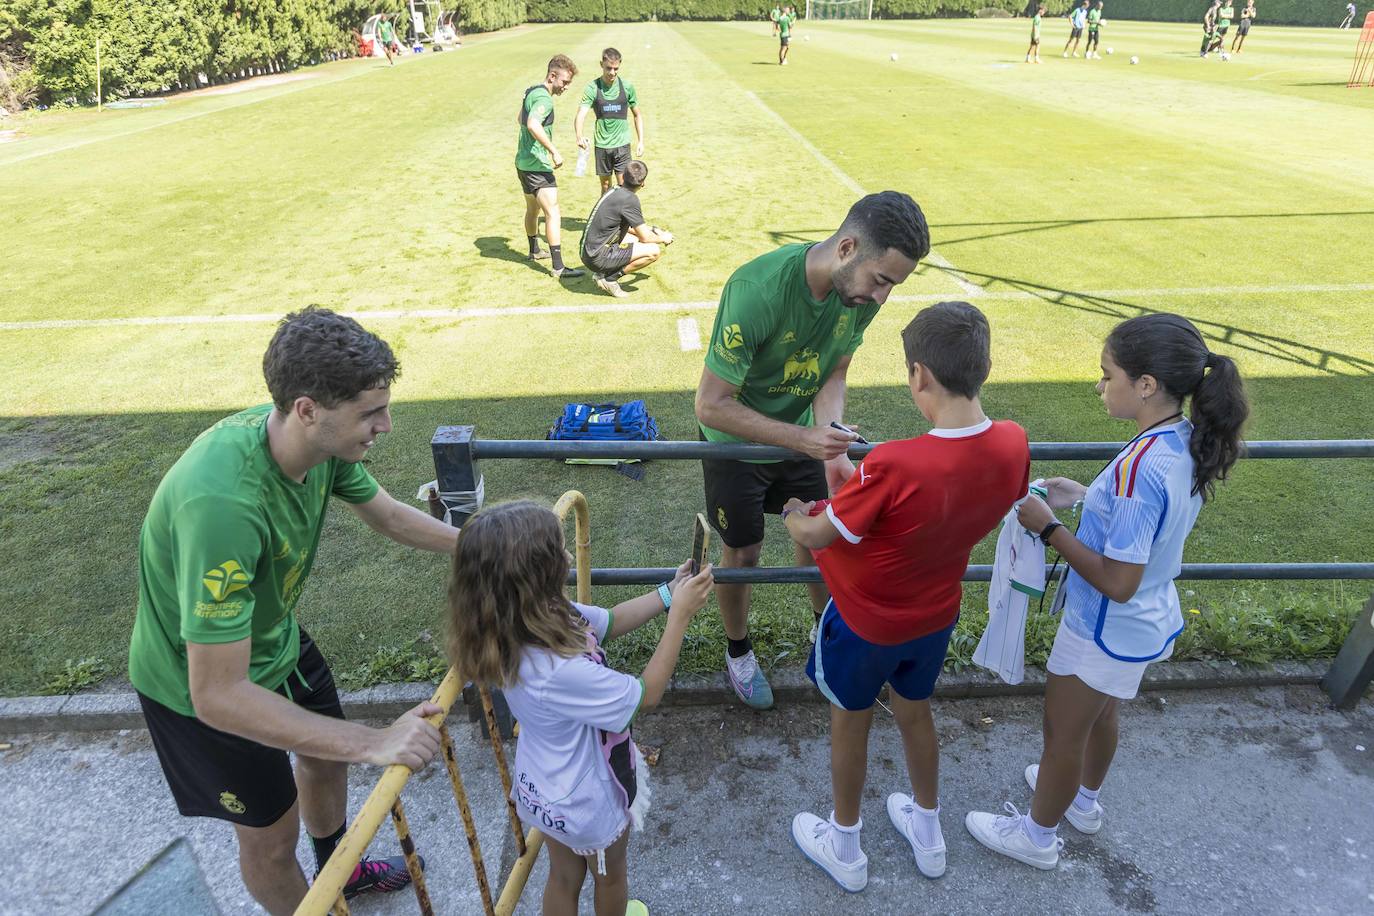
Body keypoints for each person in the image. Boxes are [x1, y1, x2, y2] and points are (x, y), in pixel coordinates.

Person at [127, 307, 462, 914]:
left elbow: (387, 515)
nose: (386, 426)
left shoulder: (320, 446)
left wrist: (483, 547)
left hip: (273, 636)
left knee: (323, 758)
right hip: (196, 687)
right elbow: (218, 694)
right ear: (308, 409)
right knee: (272, 841)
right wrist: (373, 740)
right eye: (370, 412)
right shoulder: (223, 504)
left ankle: (341, 867)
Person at [965, 313, 1249, 870]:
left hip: (1104, 624)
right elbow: (1136, 515)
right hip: (1144, 622)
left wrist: (1049, 527)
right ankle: (1084, 804)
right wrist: (1086, 493)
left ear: (1145, 385)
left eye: (1106, 374)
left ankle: (1037, 836)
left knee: (1062, 733)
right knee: (1101, 716)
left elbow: (1119, 580)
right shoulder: (1180, 437)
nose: (1099, 385)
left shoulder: (1139, 469)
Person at [782, 303, 1031, 891]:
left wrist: (796, 516)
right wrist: (855, 479)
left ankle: (844, 845)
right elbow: (931, 503)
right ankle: (928, 832)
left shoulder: (896, 460)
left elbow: (822, 532)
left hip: (867, 622)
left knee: (851, 723)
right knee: (916, 713)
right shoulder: (1014, 443)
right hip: (935, 617)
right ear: (984, 368)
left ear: (918, 375)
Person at [694, 191, 931, 710]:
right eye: (882, 280)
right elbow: (710, 406)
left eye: (894, 285)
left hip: (805, 437)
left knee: (820, 536)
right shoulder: (757, 289)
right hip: (734, 445)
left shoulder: (856, 298)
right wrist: (805, 440)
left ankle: (829, 638)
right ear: (847, 247)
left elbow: (835, 371)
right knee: (744, 552)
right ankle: (738, 650)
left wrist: (832, 441)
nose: (882, 297)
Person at [446, 501, 715, 916]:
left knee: (563, 877)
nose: (569, 557)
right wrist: (680, 616)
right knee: (610, 878)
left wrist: (667, 593)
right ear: (535, 576)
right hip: (589, 803)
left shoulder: (524, 622)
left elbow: (609, 620)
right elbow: (647, 694)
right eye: (559, 553)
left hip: (543, 788)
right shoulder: (557, 671)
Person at [517, 54, 585, 281]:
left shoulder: (531, 91)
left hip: (523, 163)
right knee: (553, 212)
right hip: (537, 165)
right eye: (564, 82)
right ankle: (558, 267)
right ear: (552, 76)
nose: (566, 87)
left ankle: (534, 250)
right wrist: (553, 150)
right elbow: (531, 123)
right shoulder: (544, 99)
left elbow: (520, 118)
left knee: (533, 209)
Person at [579, 160, 673, 298]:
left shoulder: (614, 190)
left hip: (588, 252)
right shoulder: (630, 199)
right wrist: (663, 237)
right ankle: (610, 279)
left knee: (635, 239)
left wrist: (653, 230)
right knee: (653, 251)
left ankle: (603, 272)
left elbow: (630, 228)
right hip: (596, 257)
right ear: (643, 183)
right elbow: (645, 238)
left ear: (623, 176)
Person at [574, 48, 645, 197]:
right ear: (601, 64)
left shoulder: (627, 87)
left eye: (616, 69)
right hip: (602, 145)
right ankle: (606, 219)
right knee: (606, 186)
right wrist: (579, 135)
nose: (612, 72)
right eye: (608, 68)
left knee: (624, 186)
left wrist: (640, 141)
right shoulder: (592, 88)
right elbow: (581, 114)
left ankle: (624, 220)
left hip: (622, 144)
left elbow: (637, 115)